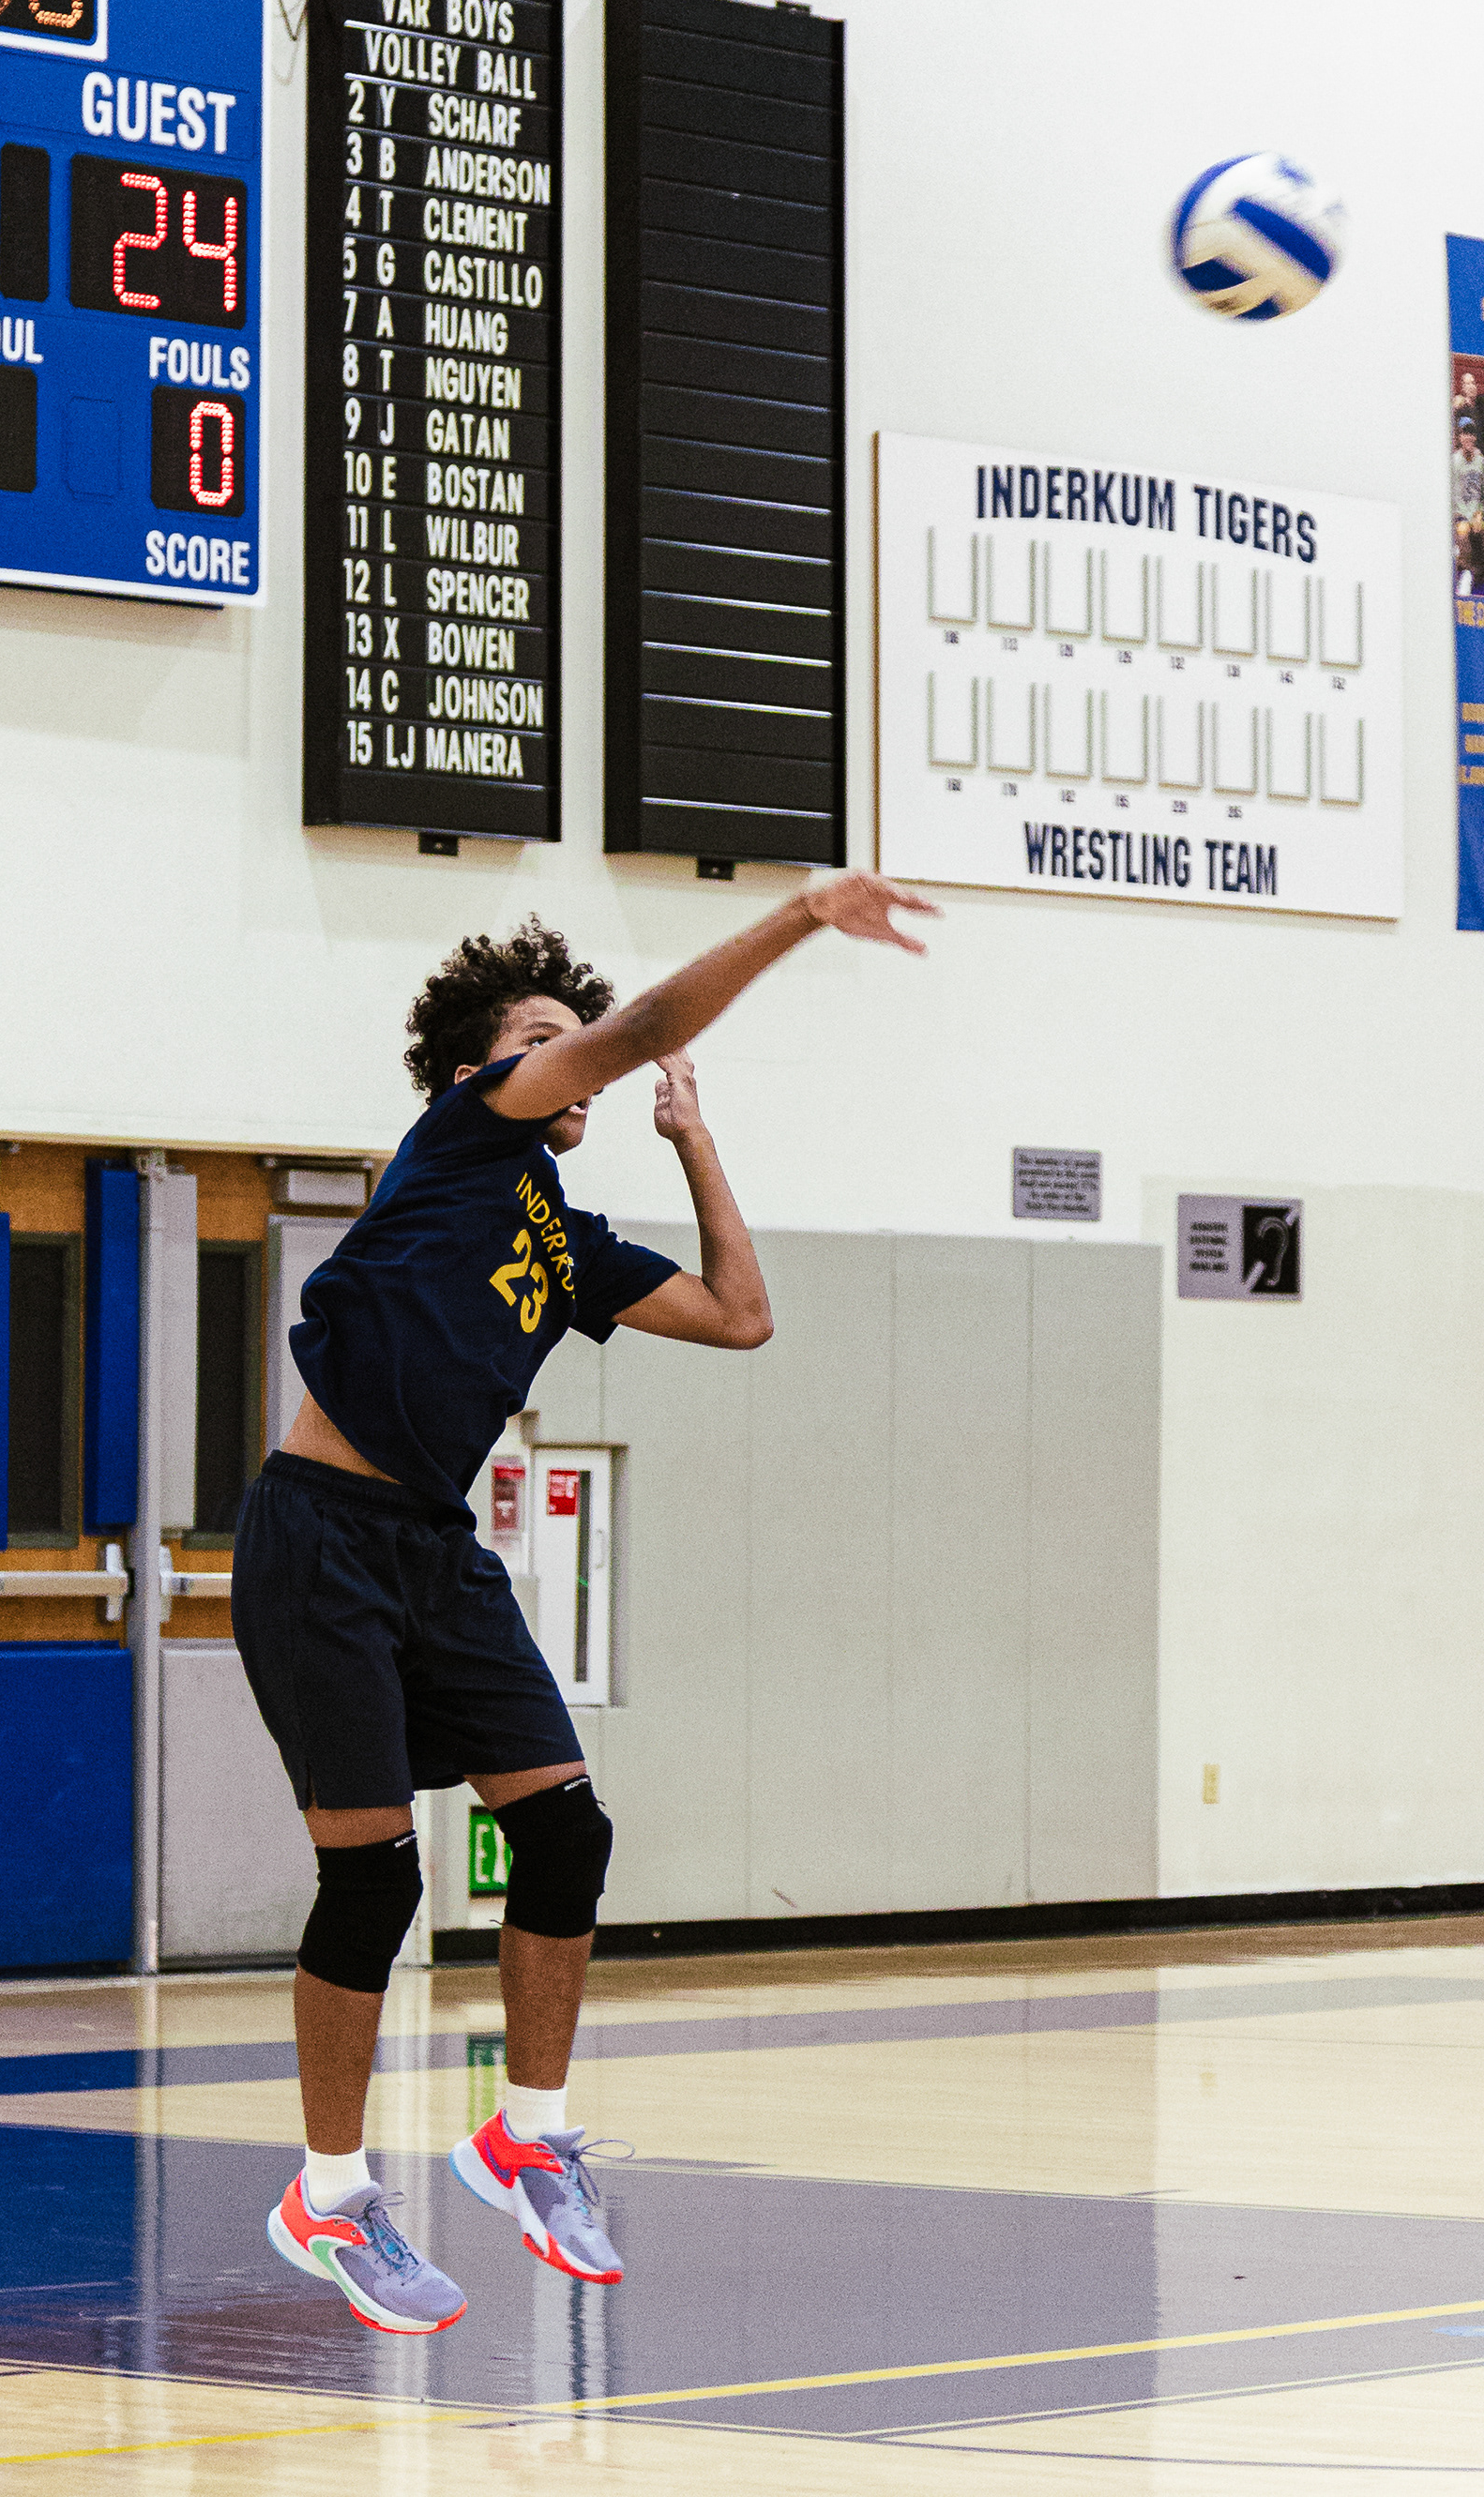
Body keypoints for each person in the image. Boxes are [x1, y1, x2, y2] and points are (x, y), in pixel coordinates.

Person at [233, 873, 936, 2334]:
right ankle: (330, 2194)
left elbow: (742, 1315)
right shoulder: (465, 1134)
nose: (580, 1060)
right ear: (484, 1067)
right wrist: (802, 914)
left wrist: (697, 1140)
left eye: (577, 1040)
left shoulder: (564, 1239)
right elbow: (650, 1021)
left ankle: (526, 2137)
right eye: (547, 1039)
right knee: (374, 1882)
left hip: (432, 1548)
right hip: (320, 1539)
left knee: (566, 1831)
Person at [1455, 420, 1484, 522]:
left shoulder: (1480, 461)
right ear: (1460, 437)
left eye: (1471, 434)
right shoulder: (1454, 461)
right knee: (1463, 529)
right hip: (1459, 513)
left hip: (1477, 513)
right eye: (1465, 433)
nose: (1469, 437)